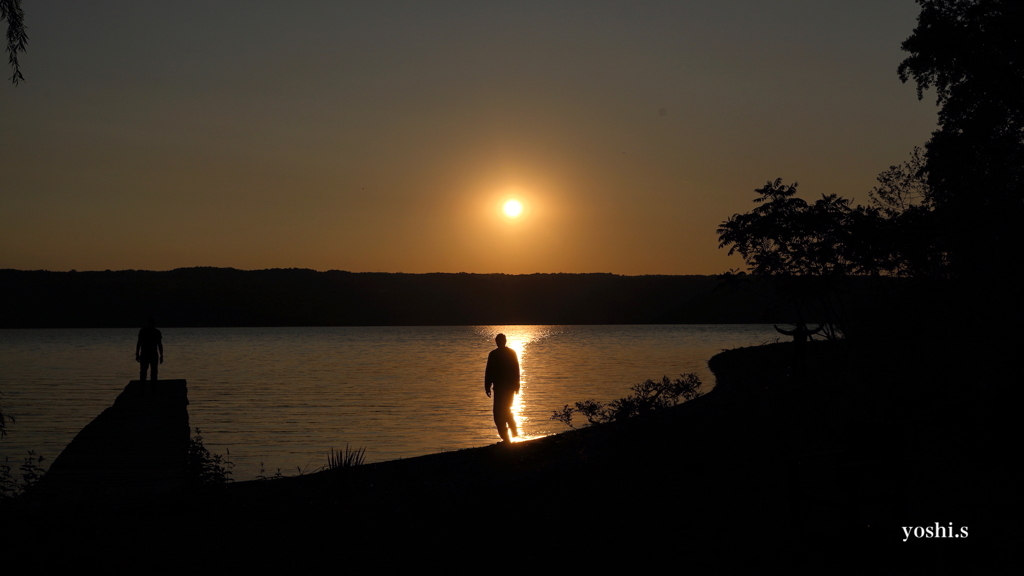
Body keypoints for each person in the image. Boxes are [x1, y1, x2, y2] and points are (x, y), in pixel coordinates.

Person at [484, 333, 520, 443]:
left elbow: (516, 369)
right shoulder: (493, 354)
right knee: (501, 411)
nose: (499, 343)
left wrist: (517, 385)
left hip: (506, 388)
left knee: (502, 411)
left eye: (500, 341)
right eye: (498, 341)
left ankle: (511, 432)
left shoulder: (509, 353)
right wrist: (487, 385)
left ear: (504, 341)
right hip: (500, 388)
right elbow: (489, 371)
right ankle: (507, 436)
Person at [136, 317, 164, 381]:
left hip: (145, 353)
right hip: (152, 353)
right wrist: (161, 355)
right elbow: (159, 344)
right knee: (153, 371)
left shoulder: (143, 331)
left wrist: (137, 353)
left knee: (143, 371)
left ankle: (143, 385)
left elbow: (139, 343)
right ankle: (152, 386)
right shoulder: (157, 332)